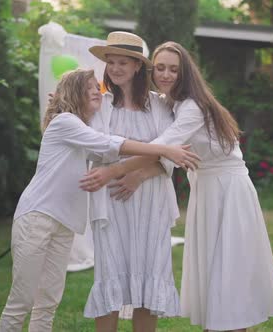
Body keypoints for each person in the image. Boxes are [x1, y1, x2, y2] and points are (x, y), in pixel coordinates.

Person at [82, 41, 273, 332]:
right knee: (212, 267)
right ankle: (218, 324)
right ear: (152, 70)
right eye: (161, 68)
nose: (165, 74)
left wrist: (117, 170)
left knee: (229, 266)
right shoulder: (170, 104)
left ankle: (233, 324)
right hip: (204, 187)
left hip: (228, 188)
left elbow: (162, 146)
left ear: (184, 72)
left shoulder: (190, 106)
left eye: (173, 69)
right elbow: (167, 153)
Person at [0, 68, 199, 332]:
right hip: (38, 216)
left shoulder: (81, 124)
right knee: (21, 300)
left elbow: (110, 151)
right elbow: (110, 144)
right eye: (91, 87)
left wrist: (146, 167)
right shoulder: (65, 122)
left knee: (47, 302)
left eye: (98, 87)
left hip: (65, 223)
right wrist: (164, 148)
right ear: (75, 93)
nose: (98, 91)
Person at [81, 31, 182, 332]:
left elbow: (171, 155)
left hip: (152, 202)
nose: (115, 68)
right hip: (112, 202)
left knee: (149, 279)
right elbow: (95, 148)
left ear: (138, 66)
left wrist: (136, 175)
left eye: (123, 62)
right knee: (109, 275)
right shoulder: (102, 105)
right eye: (111, 62)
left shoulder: (160, 106)